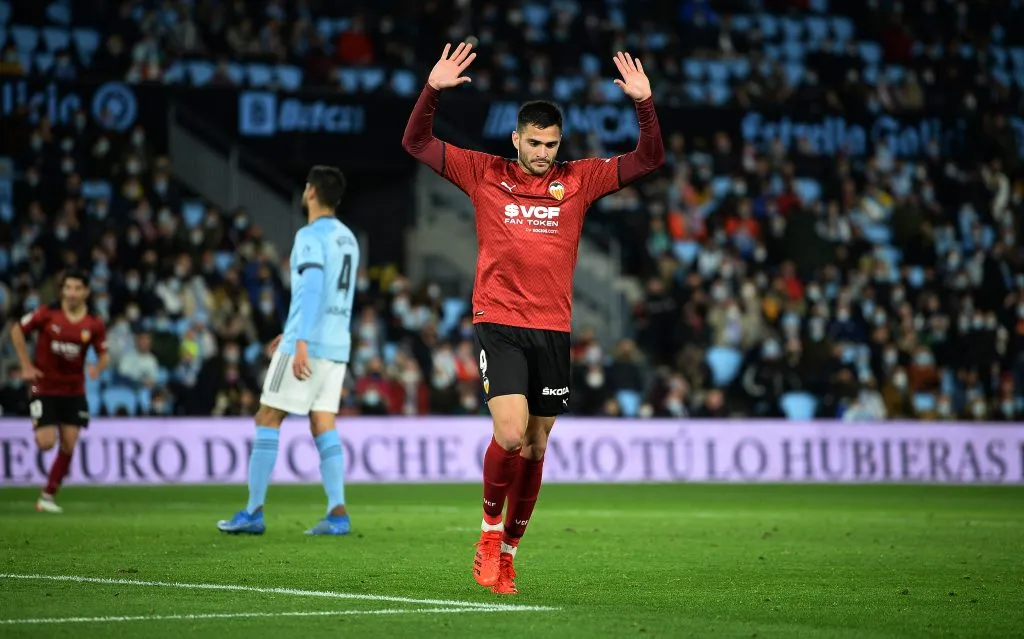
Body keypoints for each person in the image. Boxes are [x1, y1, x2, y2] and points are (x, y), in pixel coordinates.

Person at [402, 42, 665, 594]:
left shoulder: (581, 179)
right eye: (535, 143)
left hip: (553, 327)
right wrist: (432, 90)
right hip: (497, 321)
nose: (543, 153)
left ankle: (511, 553)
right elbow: (416, 142)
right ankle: (488, 537)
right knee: (511, 431)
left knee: (538, 447)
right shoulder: (483, 172)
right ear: (516, 139)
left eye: (551, 144)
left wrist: (645, 105)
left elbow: (648, 160)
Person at [217, 166, 360, 536]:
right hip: (337, 344)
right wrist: (292, 330)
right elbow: (333, 293)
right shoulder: (348, 239)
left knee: (267, 418)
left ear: (311, 192)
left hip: (309, 344)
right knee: (322, 423)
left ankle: (253, 511)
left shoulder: (309, 236)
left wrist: (299, 340)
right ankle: (337, 513)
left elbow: (312, 288)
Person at [9, 270, 109, 513]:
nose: (72, 293)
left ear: (86, 291)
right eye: (68, 288)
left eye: (77, 288)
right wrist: (26, 364)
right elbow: (16, 331)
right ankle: (40, 421)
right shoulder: (47, 313)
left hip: (74, 389)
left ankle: (47, 496)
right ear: (62, 290)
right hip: (43, 385)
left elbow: (104, 353)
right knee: (45, 443)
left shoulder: (93, 323)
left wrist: (97, 367)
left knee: (69, 443)